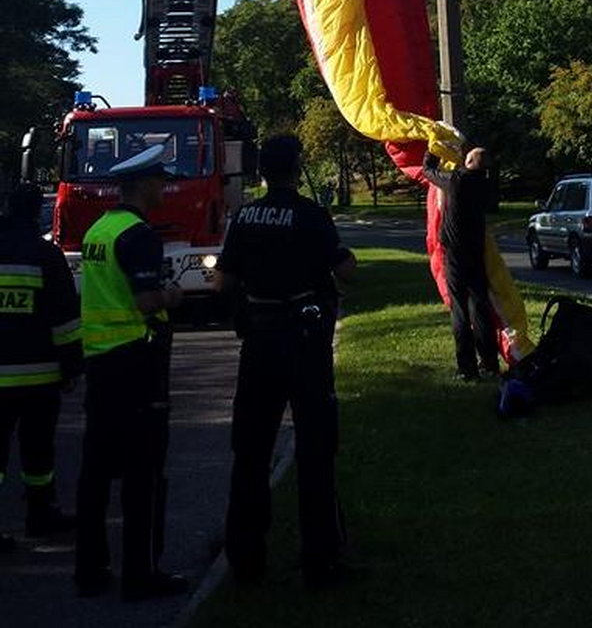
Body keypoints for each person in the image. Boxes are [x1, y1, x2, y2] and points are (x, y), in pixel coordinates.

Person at [213, 134, 356, 589]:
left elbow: (221, 281)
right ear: (296, 169)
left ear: (261, 171)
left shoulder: (244, 216)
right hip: (303, 338)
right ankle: (320, 558)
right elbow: (343, 268)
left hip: (258, 339)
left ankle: (245, 558)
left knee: (251, 450)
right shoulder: (310, 214)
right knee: (316, 448)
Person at [74, 145, 187, 601]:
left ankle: (90, 569)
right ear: (142, 185)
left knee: (96, 471)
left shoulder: (100, 228)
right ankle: (141, 573)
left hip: (100, 361)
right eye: (160, 181)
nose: (164, 187)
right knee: (144, 473)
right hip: (136, 363)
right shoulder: (139, 234)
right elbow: (145, 301)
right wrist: (172, 296)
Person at [0, 182, 82, 550]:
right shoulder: (46, 256)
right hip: (39, 377)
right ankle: (40, 514)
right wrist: (72, 369)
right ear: (36, 213)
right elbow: (65, 321)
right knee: (38, 451)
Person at [423, 146, 500, 381]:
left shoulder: (458, 180)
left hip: (455, 253)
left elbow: (429, 172)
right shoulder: (485, 185)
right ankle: (489, 363)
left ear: (468, 161)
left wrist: (432, 149)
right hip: (477, 251)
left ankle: (467, 368)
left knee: (459, 308)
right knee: (480, 305)